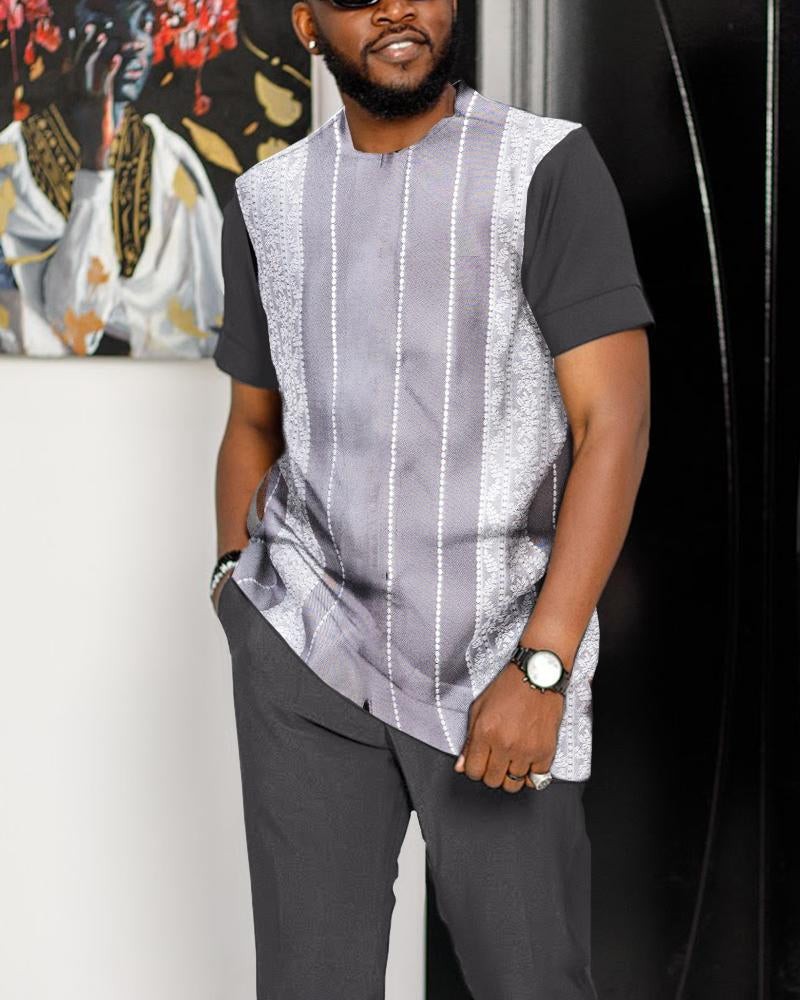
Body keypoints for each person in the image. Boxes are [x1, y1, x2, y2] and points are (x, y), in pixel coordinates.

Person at [211, 1, 654, 996]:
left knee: (530, 981)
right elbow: (250, 422)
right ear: (308, 24)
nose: (395, 8)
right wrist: (234, 589)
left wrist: (542, 668)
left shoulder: (543, 167)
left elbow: (613, 428)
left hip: (497, 666)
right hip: (305, 655)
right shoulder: (267, 200)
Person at [0, 0, 223, 358]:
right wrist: (95, 165)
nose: (134, 42)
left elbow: (214, 319)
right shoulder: (11, 162)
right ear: (60, 32)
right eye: (106, 23)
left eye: (144, 24)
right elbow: (76, 326)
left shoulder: (170, 161)